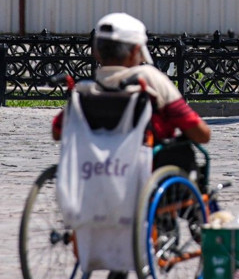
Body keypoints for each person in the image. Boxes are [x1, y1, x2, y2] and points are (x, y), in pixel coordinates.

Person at [52, 12, 211, 171]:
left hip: (95, 170)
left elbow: (57, 132)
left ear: (96, 52)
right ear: (136, 51)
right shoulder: (149, 78)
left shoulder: (86, 90)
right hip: (146, 170)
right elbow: (201, 134)